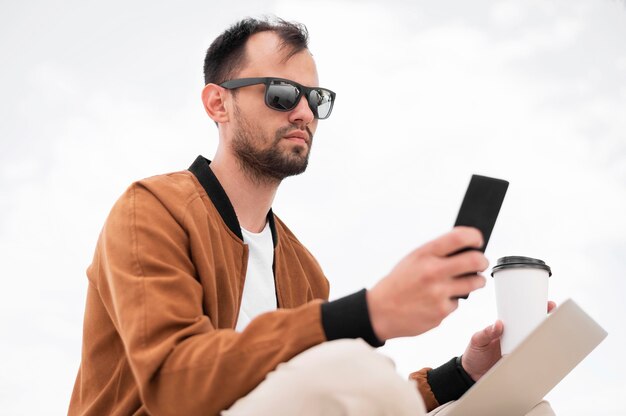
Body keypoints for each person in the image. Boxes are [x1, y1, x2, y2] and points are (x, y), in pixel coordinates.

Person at [68, 17, 555, 416]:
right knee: (354, 371)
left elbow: (337, 401)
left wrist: (462, 374)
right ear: (219, 103)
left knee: (524, 410)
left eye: (315, 99)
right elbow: (174, 385)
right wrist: (368, 312)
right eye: (281, 94)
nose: (303, 112)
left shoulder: (302, 269)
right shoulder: (151, 210)